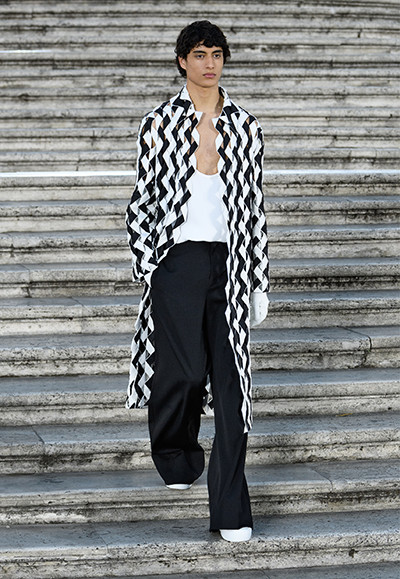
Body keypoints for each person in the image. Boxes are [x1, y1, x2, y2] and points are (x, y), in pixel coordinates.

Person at [126, 20, 269, 542]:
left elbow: (254, 206)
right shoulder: (159, 123)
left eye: (217, 54)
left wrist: (259, 279)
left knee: (232, 389)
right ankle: (176, 451)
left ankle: (232, 511)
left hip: (230, 263)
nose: (210, 63)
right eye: (200, 54)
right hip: (178, 261)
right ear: (183, 61)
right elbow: (143, 200)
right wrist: (150, 263)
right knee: (183, 373)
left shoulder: (246, 127)